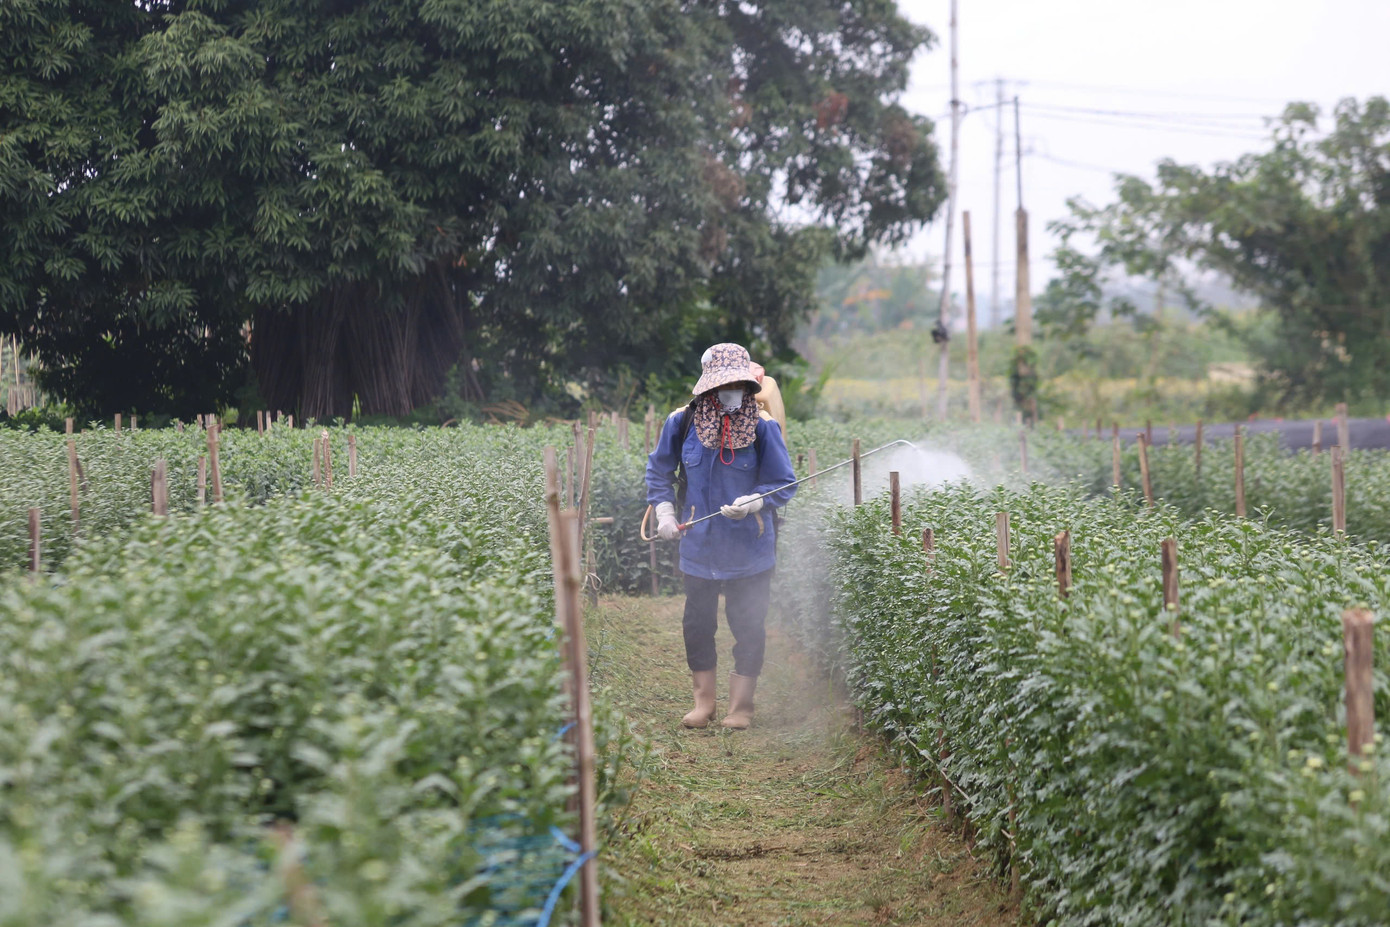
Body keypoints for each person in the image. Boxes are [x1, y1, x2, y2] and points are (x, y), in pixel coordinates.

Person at [645, 343, 797, 730]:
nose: (730, 391)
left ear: (748, 384)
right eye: (722, 385)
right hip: (699, 545)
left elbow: (783, 482)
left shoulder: (763, 427)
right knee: (697, 624)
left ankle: (741, 708)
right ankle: (704, 703)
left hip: (750, 546)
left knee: (747, 623)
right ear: (707, 388)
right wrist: (664, 510)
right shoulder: (681, 423)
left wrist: (754, 501)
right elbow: (659, 472)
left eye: (737, 384)